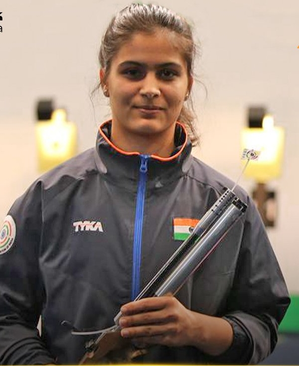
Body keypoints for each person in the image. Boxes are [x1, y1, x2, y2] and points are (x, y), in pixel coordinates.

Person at [0, 3, 290, 365]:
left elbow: (263, 322)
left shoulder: (228, 206)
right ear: (105, 80)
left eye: (167, 73)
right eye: (133, 72)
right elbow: (6, 317)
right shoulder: (49, 198)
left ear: (188, 85)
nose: (150, 88)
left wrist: (195, 328)